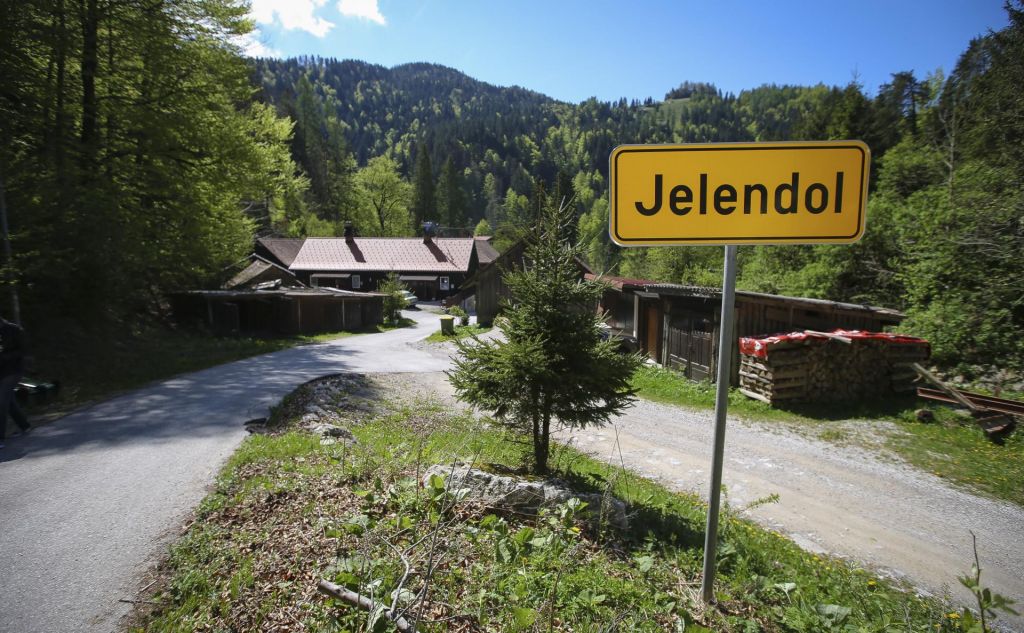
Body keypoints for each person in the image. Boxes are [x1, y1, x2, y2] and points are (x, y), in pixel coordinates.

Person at [0, 316, 30, 448]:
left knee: (1, 402)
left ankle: (0, 438)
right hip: (1, 371)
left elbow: (23, 350)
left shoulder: (13, 329)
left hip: (13, 370)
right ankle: (24, 425)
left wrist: (5, 356)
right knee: (8, 400)